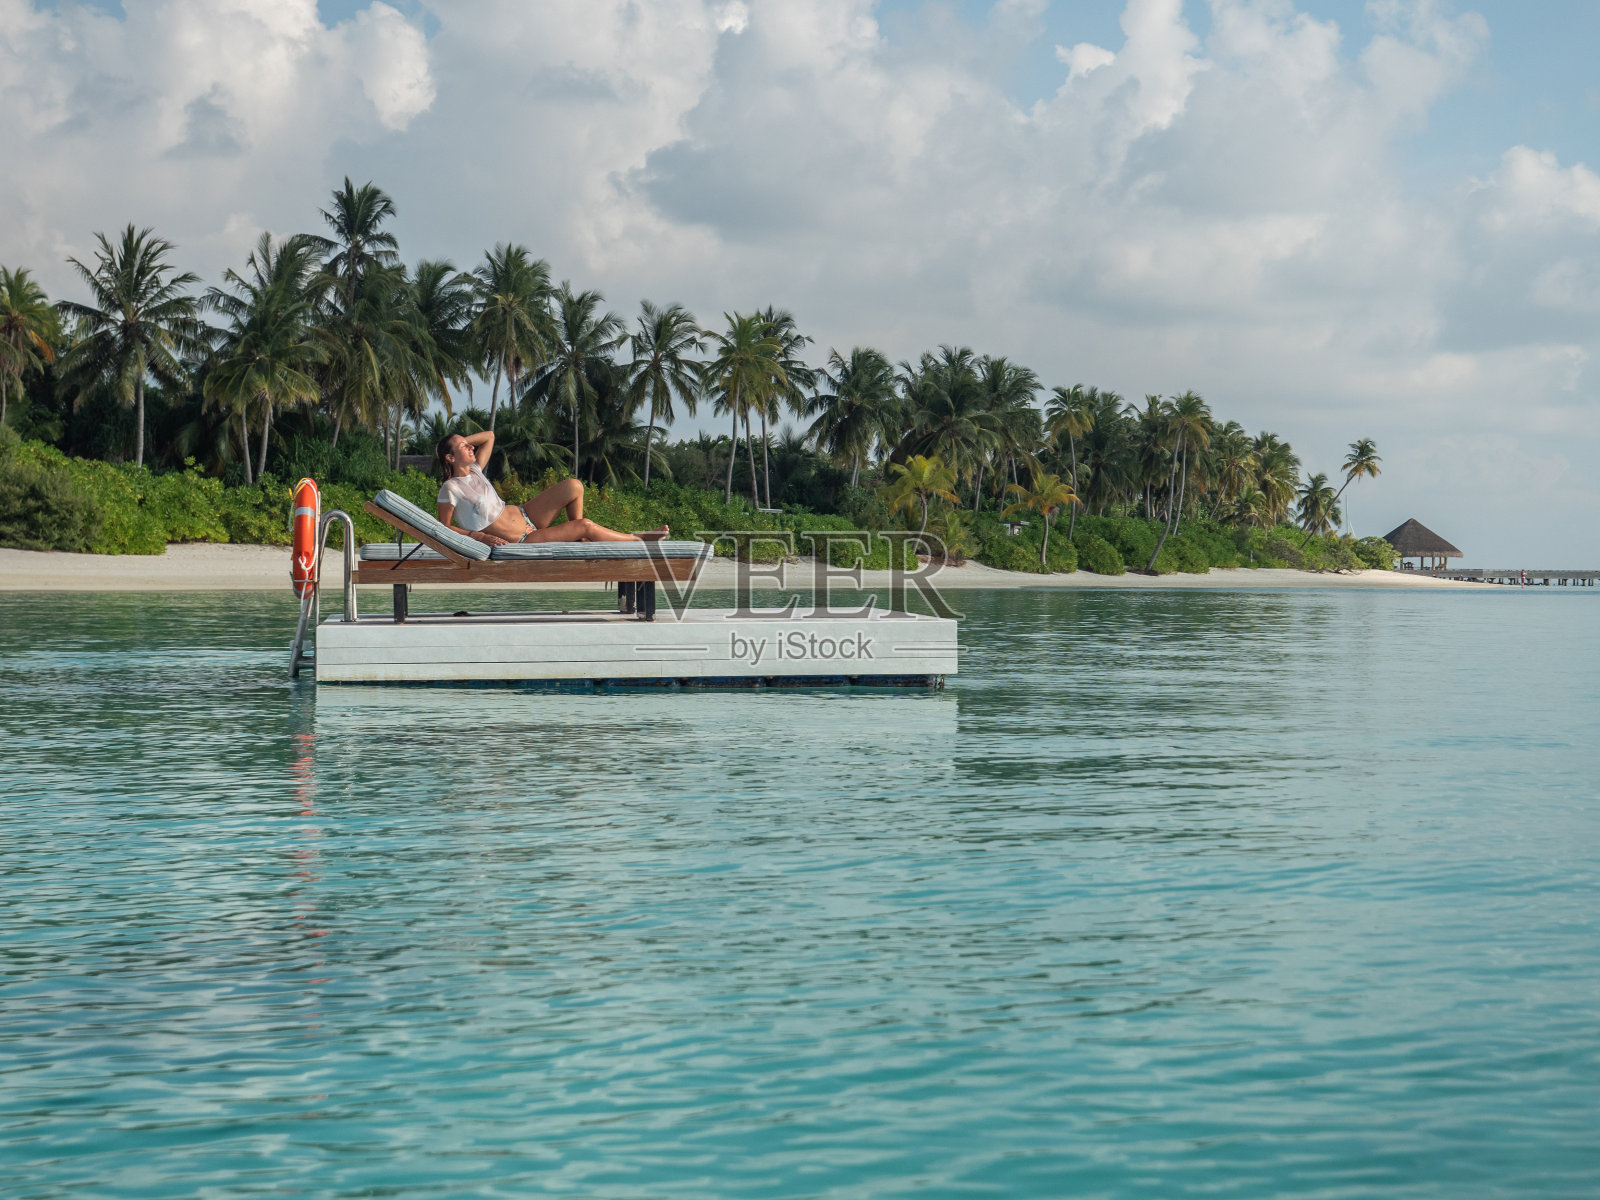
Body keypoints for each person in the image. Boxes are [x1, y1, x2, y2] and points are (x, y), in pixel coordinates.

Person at [434, 431, 664, 546]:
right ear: (450, 457)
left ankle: (579, 540)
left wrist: (462, 441)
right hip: (523, 539)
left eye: (468, 444)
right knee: (584, 525)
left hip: (525, 513)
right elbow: (444, 528)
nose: (471, 446)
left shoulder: (475, 470)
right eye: (464, 447)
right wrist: (479, 536)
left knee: (574, 486)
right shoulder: (451, 488)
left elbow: (490, 436)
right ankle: (639, 539)